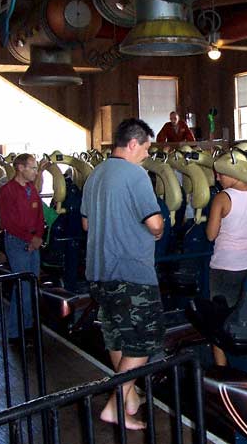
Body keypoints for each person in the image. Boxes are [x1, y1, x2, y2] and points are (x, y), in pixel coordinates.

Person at [81, 118, 165, 430]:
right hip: (132, 273)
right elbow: (154, 223)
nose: (146, 154)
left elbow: (87, 225)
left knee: (117, 335)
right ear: (132, 144)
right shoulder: (136, 174)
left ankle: (128, 398)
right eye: (145, 147)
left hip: (99, 272)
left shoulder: (95, 174)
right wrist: (157, 230)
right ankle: (115, 404)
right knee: (144, 340)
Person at [206, 171, 247, 365]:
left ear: (233, 172)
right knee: (246, 312)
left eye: (221, 174)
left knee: (218, 319)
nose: (217, 179)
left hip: (226, 267)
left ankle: (221, 369)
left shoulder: (223, 198)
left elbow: (211, 235)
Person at [0, 154, 44, 343]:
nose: (36, 172)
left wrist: (39, 236)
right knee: (23, 287)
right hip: (17, 242)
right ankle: (19, 331)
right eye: (32, 168)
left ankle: (25, 329)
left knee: (30, 286)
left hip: (33, 241)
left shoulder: (31, 189)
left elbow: (40, 215)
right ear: (20, 168)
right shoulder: (6, 191)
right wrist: (30, 238)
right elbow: (9, 222)